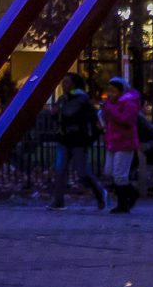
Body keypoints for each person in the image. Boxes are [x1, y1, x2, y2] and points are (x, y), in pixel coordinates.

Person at [43, 74, 102, 210]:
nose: (64, 85)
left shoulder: (82, 100)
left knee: (82, 172)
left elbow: (91, 119)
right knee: (59, 170)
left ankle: (99, 192)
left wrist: (90, 136)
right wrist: (54, 114)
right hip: (64, 139)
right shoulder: (62, 99)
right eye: (63, 82)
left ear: (74, 84)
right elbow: (58, 118)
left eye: (67, 83)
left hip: (78, 139)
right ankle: (58, 201)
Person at [101, 81, 144, 215]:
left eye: (113, 91)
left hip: (125, 142)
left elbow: (127, 121)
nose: (110, 94)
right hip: (113, 141)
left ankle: (123, 204)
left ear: (121, 92)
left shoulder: (129, 104)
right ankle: (131, 193)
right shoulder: (111, 105)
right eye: (109, 91)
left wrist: (110, 109)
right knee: (109, 171)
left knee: (120, 174)